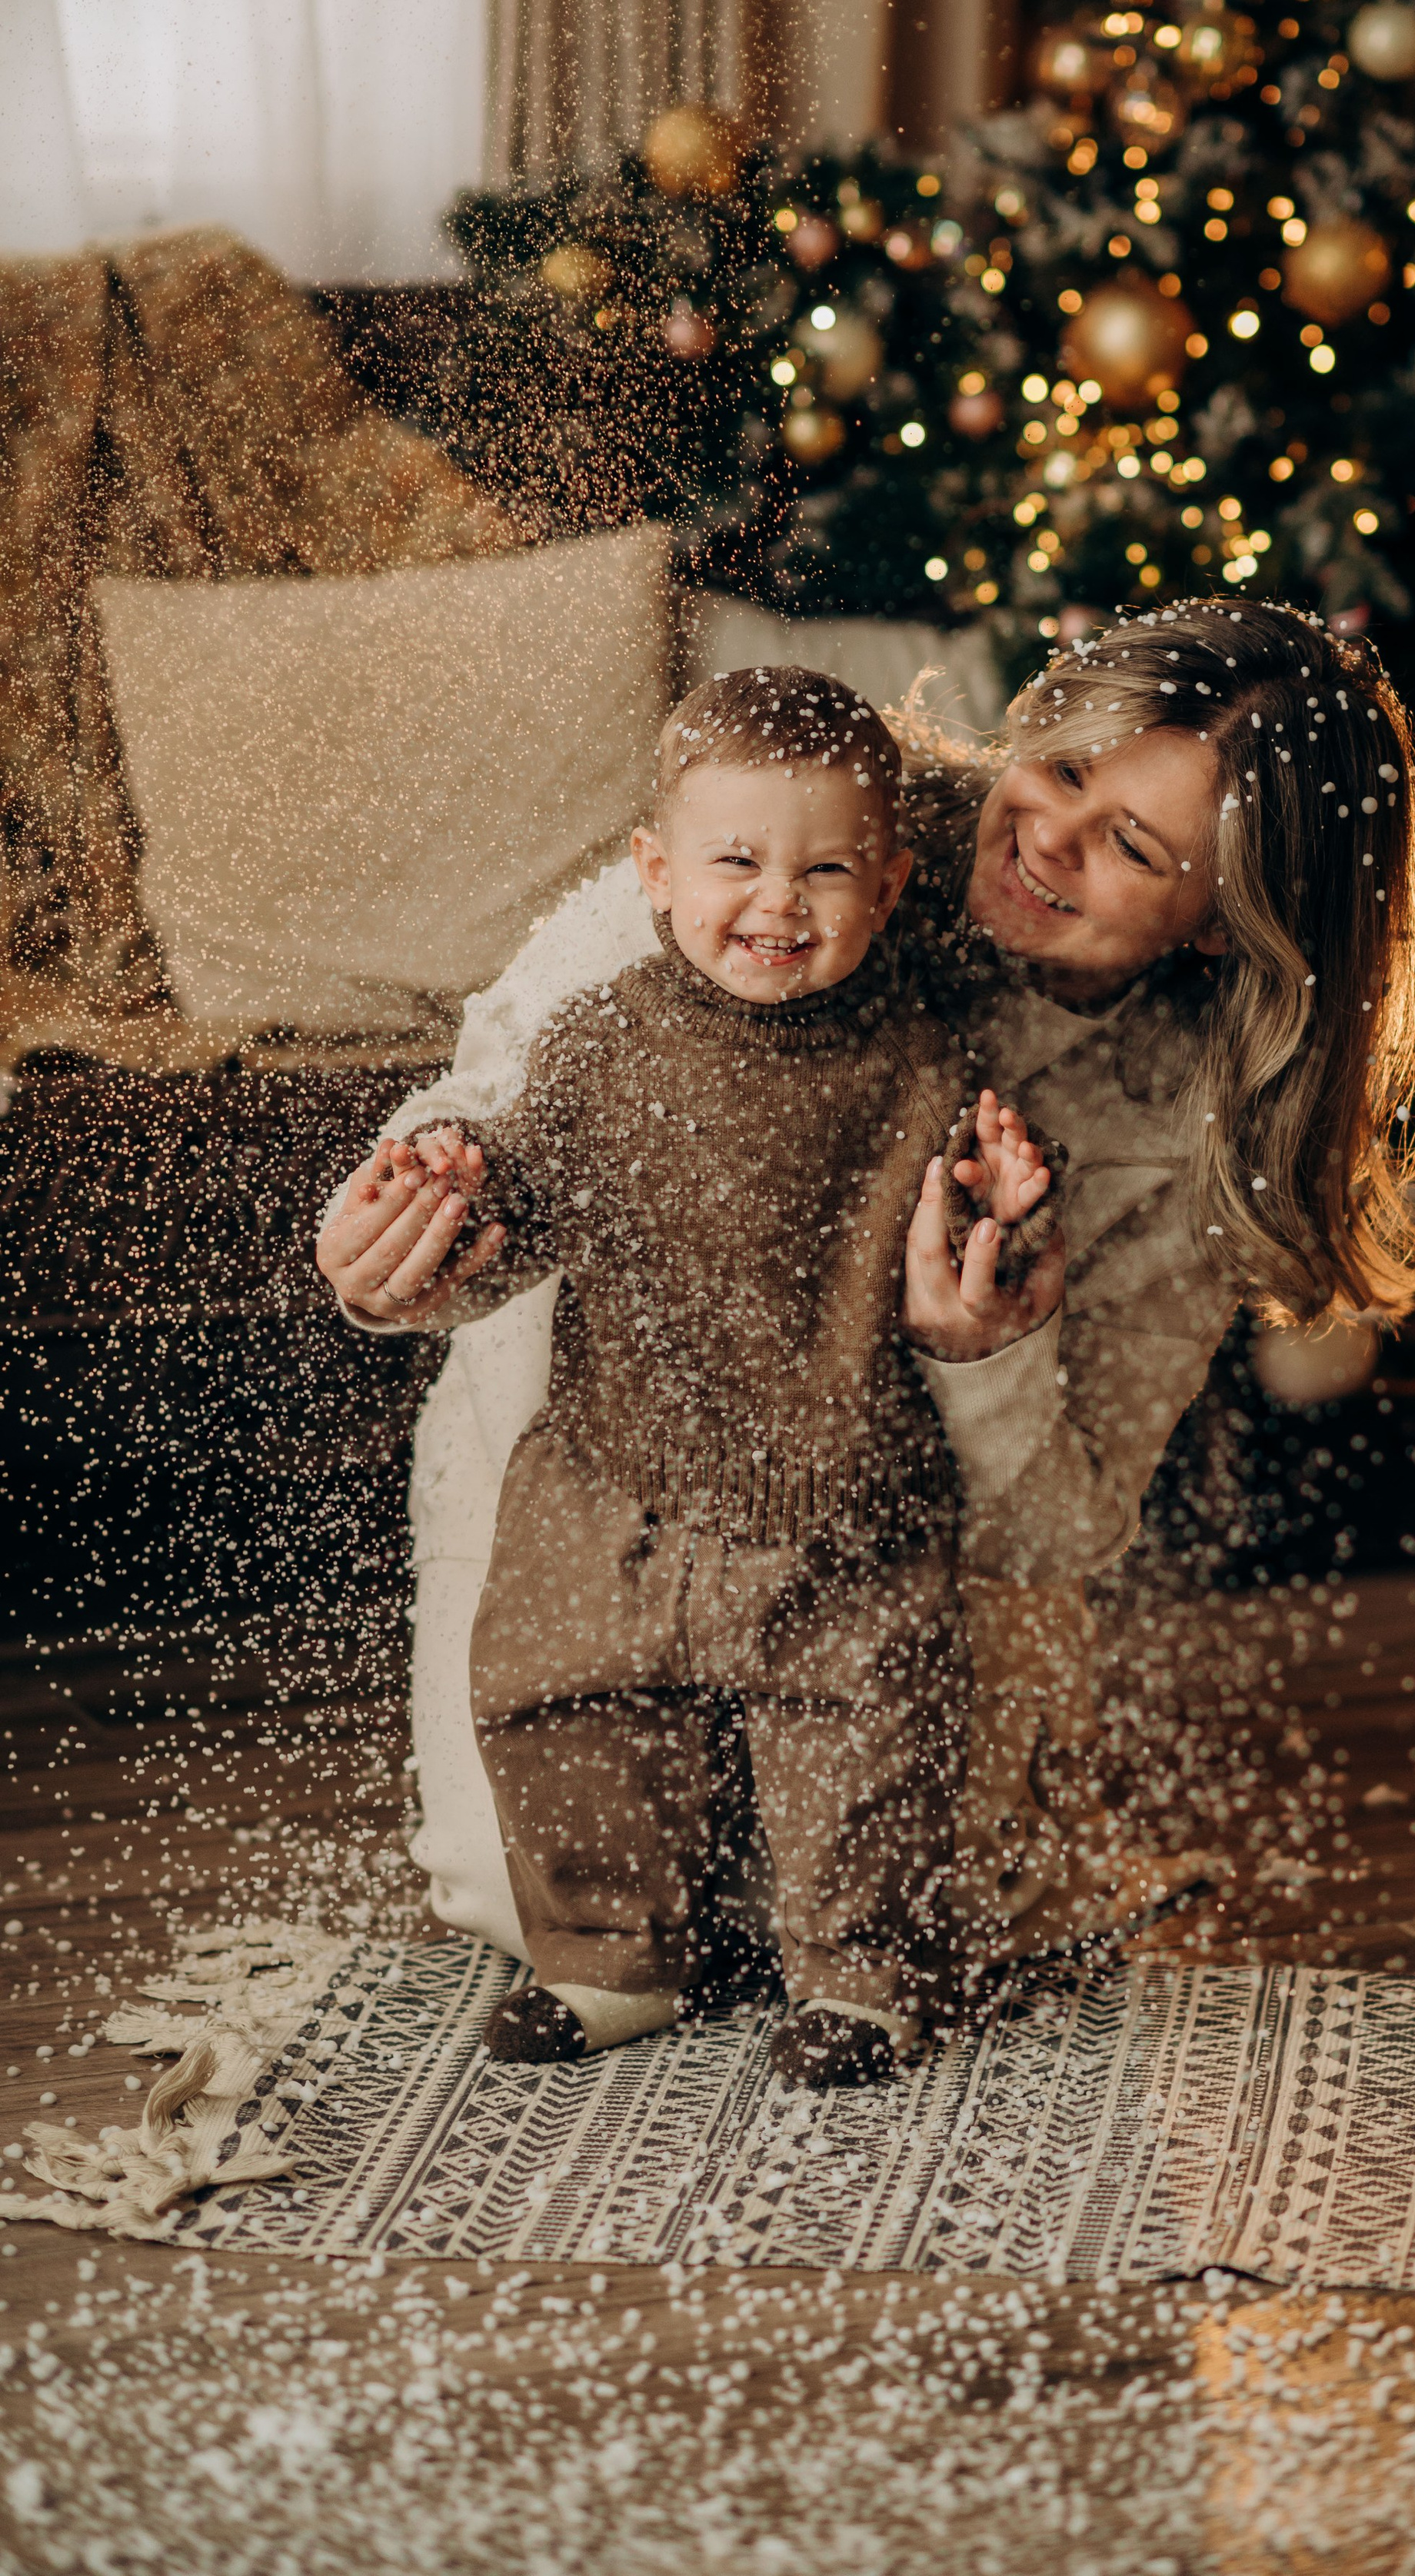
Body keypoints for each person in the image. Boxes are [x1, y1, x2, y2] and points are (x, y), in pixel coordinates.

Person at [318, 599, 1415, 1992]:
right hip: (604, 1481)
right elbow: (503, 1100)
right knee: (530, 1898)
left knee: (888, 1913)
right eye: (1069, 768)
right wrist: (404, 1241)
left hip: (897, 1553)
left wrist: (983, 1355)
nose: (1051, 836)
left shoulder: (1190, 1127)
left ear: (1224, 926)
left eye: (1133, 847)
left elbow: (1063, 1526)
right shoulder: (806, 813)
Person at [341, 667, 1055, 2090]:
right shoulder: (601, 1042)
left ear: (894, 880)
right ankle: (610, 1961)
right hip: (613, 1477)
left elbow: (953, 1268)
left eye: (827, 868)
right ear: (658, 875)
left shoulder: (925, 1063)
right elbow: (522, 1211)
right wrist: (452, 1207)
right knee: (565, 1711)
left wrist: (996, 1221)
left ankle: (858, 1973)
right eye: (736, 862)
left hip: (834, 1480)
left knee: (865, 1735)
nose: (778, 902)